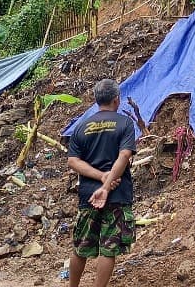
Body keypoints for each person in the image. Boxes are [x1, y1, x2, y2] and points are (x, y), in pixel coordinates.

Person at [65, 79, 136, 287]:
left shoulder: (81, 126)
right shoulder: (125, 123)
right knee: (108, 249)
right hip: (117, 195)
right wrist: (107, 183)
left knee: (80, 247)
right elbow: (124, 156)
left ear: (96, 100)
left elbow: (73, 161)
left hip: (88, 194)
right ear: (116, 100)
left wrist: (100, 177)